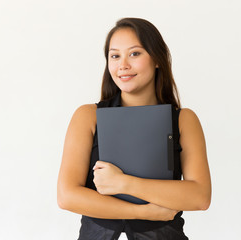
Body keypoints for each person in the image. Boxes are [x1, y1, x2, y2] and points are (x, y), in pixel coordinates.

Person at [57, 17, 211, 240]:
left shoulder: (183, 120)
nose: (123, 65)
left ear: (157, 59)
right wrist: (142, 212)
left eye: (135, 53)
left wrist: (123, 183)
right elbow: (67, 196)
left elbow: (200, 196)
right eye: (115, 56)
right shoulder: (88, 116)